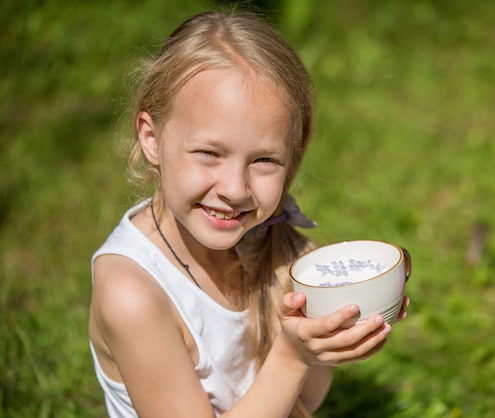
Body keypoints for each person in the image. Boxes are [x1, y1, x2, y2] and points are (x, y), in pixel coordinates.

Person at [89, 9, 409, 418]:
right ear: (152, 139)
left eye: (263, 160)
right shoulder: (132, 293)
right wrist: (293, 356)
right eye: (209, 153)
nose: (235, 189)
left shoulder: (263, 242)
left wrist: (330, 339)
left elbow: (303, 402)